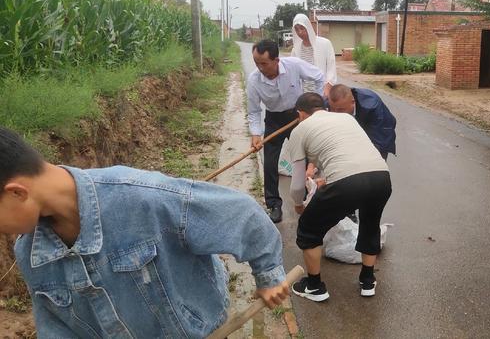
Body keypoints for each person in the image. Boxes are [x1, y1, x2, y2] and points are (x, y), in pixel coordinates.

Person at [0, 126, 289, 337]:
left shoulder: (140, 198)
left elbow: (240, 213)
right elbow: (56, 327)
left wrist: (268, 276)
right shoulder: (30, 254)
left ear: (16, 192)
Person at [287, 93, 392, 301]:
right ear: (323, 107)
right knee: (370, 224)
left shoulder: (299, 130)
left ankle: (314, 286)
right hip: (381, 176)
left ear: (300, 113)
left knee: (308, 229)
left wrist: (298, 205)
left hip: (348, 183)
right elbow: (347, 152)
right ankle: (368, 281)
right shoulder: (346, 118)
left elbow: (297, 184)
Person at [248, 39, 325, 223]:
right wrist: (256, 134)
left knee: (306, 157)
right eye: (256, 62)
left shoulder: (294, 66)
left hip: (297, 116)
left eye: (264, 63)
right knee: (270, 163)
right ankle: (274, 204)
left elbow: (319, 76)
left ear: (276, 60)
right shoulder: (254, 81)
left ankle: (309, 197)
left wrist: (317, 104)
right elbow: (254, 111)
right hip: (274, 120)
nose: (260, 67)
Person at [328, 84, 397, 160]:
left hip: (377, 134)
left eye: (341, 109)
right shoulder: (328, 103)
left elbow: (379, 140)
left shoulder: (372, 105)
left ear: (352, 102)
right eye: (333, 108)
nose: (336, 113)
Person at [291, 13, 337, 97]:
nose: (300, 32)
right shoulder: (295, 50)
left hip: (322, 93)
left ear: (308, 27)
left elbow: (331, 69)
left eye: (302, 28)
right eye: (296, 29)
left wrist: (326, 90)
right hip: (303, 96)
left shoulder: (325, 44)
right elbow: (293, 74)